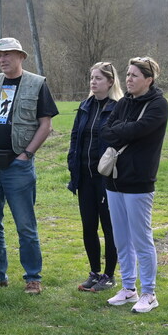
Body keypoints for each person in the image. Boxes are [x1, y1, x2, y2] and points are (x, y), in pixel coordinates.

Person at [0, 37, 58, 295]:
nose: (2, 59)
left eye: (8, 54)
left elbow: (46, 124)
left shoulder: (36, 83)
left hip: (17, 166)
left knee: (25, 225)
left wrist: (26, 155)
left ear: (21, 56)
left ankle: (33, 278)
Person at [102, 56, 168, 313]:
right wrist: (125, 128)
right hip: (114, 179)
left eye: (134, 76)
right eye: (128, 75)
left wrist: (123, 129)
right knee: (121, 238)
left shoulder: (158, 105)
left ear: (148, 80)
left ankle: (149, 293)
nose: (128, 79)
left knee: (142, 239)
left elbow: (138, 130)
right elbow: (105, 131)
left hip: (139, 180)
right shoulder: (122, 103)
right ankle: (128, 288)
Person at [67, 62, 123, 293]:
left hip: (106, 179)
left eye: (99, 78)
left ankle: (109, 275)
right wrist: (72, 165)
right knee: (88, 226)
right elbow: (74, 138)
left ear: (110, 82)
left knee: (109, 227)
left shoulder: (119, 107)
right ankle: (94, 272)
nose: (93, 82)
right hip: (84, 177)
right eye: (91, 77)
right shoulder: (84, 106)